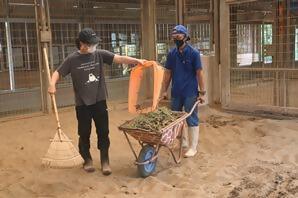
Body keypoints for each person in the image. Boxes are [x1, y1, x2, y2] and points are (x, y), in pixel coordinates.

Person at [48, 28, 145, 175]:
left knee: (103, 131)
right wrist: (52, 84)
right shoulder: (72, 59)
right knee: (84, 132)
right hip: (82, 104)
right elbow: (57, 72)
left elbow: (119, 58)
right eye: (91, 44)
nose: (94, 46)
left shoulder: (99, 54)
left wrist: (137, 61)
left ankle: (105, 160)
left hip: (99, 101)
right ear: (82, 44)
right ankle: (87, 159)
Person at [162, 25, 205, 157]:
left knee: (191, 118)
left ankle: (193, 147)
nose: (176, 39)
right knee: (176, 118)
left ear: (185, 37)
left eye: (179, 36)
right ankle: (183, 142)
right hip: (176, 92)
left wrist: (202, 92)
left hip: (190, 92)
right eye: (174, 37)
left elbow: (199, 73)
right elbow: (168, 73)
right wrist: (164, 91)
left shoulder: (194, 53)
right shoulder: (171, 54)